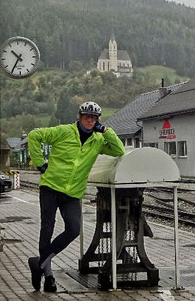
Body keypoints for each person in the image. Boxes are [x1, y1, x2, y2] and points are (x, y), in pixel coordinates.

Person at [26, 101, 125, 292]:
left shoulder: (97, 140)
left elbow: (118, 150)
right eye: (86, 116)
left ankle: (37, 264)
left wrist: (106, 131)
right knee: (47, 228)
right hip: (51, 187)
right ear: (79, 117)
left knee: (73, 229)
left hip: (72, 193)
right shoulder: (64, 131)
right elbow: (34, 135)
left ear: (97, 120)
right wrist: (40, 164)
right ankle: (48, 277)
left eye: (94, 117)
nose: (89, 120)